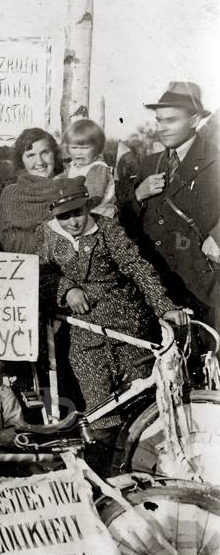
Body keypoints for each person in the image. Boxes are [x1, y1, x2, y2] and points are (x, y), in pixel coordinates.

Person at [40, 177, 188, 429]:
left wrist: (165, 307)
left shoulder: (108, 230)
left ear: (87, 206)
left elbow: (137, 268)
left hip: (128, 329)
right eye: (64, 216)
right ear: (54, 215)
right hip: (86, 336)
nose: (73, 222)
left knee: (141, 406)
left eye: (78, 212)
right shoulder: (47, 236)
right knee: (100, 410)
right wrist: (67, 289)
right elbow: (43, 273)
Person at [121, 81, 220, 329]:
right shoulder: (149, 163)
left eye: (171, 120)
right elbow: (126, 221)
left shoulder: (215, 159)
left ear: (195, 120)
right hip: (156, 283)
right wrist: (138, 195)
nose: (162, 129)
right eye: (159, 121)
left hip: (199, 282)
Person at [0, 127, 64, 255]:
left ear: (54, 155)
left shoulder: (68, 188)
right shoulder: (11, 194)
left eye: (45, 153)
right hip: (28, 269)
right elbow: (12, 245)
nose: (39, 162)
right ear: (21, 161)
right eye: (31, 155)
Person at [63, 119, 116, 219]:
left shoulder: (97, 168)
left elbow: (95, 197)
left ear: (97, 149)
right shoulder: (72, 166)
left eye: (85, 148)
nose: (79, 153)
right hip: (81, 215)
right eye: (74, 148)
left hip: (100, 216)